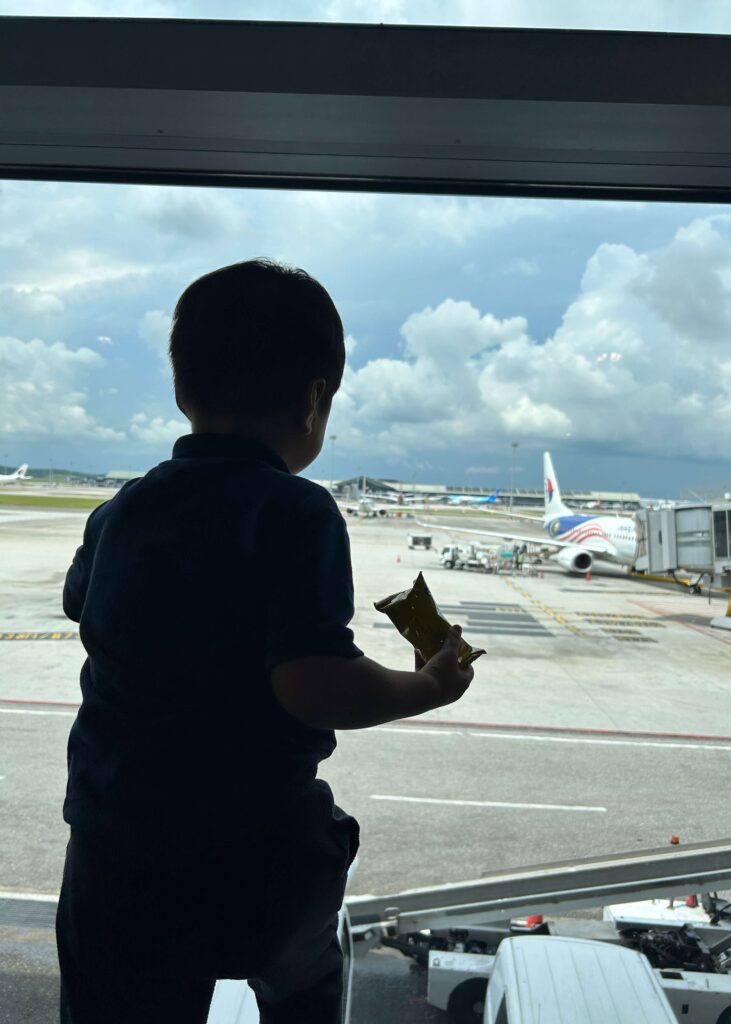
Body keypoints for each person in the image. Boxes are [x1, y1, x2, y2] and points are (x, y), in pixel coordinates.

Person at [56, 259, 475, 1024]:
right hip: (248, 844)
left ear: (183, 391)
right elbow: (313, 687)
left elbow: (78, 603)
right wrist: (429, 685)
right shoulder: (295, 513)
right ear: (314, 399)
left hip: (115, 843)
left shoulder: (121, 512)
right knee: (306, 974)